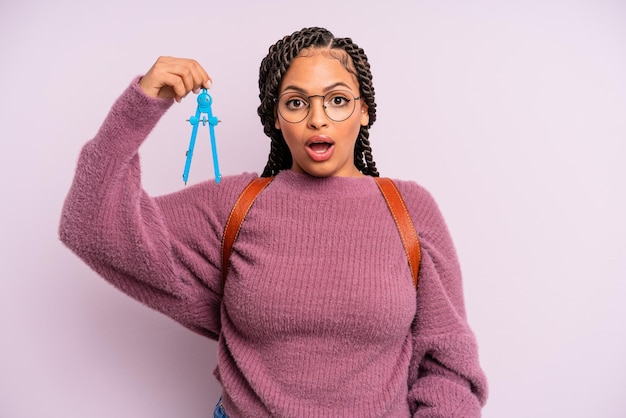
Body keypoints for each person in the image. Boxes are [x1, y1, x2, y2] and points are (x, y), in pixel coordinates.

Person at [59, 27, 488, 417]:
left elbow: (448, 365)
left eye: (337, 100)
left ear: (364, 112)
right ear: (276, 118)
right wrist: (142, 104)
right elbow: (91, 224)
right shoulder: (235, 205)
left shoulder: (409, 209)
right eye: (297, 102)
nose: (317, 118)